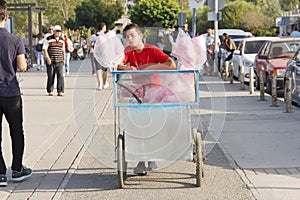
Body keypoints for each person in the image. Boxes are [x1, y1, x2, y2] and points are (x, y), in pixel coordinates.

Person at [117, 23, 176, 175]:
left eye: (132, 35)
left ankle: (149, 158)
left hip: (154, 92)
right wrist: (127, 68)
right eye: (127, 37)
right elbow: (118, 64)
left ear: (140, 36)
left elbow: (171, 64)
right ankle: (143, 160)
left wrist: (151, 68)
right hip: (137, 93)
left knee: (152, 125)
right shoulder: (128, 52)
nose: (129, 39)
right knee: (138, 126)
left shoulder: (152, 50)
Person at [0, 0, 32, 187]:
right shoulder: (15, 40)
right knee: (16, 131)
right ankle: (17, 169)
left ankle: (0, 173)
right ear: (6, 17)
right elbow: (22, 66)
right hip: (11, 93)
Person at [42, 25, 66, 96]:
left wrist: (64, 58)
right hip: (51, 60)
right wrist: (47, 58)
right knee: (51, 75)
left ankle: (60, 90)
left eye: (59, 31)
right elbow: (44, 49)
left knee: (60, 76)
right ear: (54, 32)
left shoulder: (62, 40)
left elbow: (63, 50)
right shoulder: (48, 38)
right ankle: (50, 90)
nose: (58, 33)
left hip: (59, 60)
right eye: (57, 31)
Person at [93, 22, 109, 90]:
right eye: (105, 27)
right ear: (102, 27)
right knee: (104, 70)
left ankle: (99, 85)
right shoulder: (105, 36)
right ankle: (104, 84)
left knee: (98, 70)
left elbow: (90, 42)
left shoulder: (94, 36)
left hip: (96, 54)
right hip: (104, 55)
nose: (106, 28)